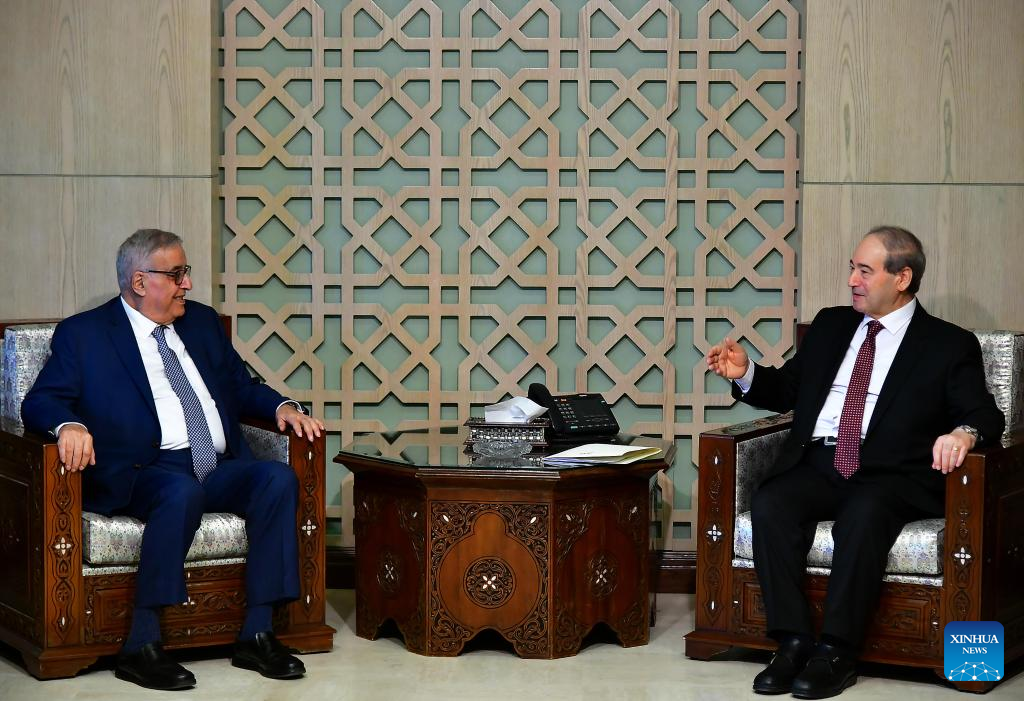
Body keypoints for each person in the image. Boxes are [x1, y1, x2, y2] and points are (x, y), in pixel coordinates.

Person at [705, 226, 1003, 699]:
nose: (852, 280)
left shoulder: (947, 343)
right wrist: (746, 375)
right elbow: (788, 390)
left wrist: (963, 433)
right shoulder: (831, 325)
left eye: (865, 271)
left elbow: (984, 412)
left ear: (902, 278)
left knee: (863, 515)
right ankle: (793, 641)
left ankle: (837, 652)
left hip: (892, 475)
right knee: (772, 503)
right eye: (852, 268)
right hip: (821, 461)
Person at [22, 229, 326, 691]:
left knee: (276, 479)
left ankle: (258, 633)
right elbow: (41, 400)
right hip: (143, 472)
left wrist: (282, 406)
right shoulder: (86, 335)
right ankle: (142, 643)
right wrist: (69, 426)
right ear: (140, 282)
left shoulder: (201, 323)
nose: (187, 284)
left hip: (214, 466)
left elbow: (240, 385)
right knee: (180, 492)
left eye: (186, 273)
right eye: (177, 274)